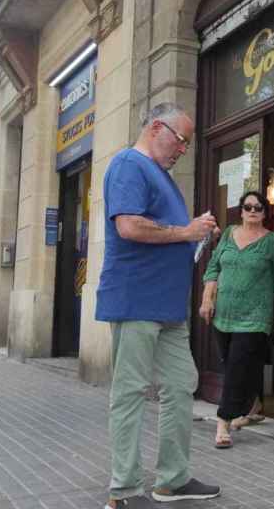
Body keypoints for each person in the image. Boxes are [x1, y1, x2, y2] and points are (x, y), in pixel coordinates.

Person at [96, 103, 221, 508]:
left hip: (168, 307)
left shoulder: (162, 177)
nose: (184, 149)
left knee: (181, 385)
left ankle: (172, 479)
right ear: (155, 128)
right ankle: (125, 491)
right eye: (180, 139)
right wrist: (186, 230)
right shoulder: (129, 164)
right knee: (130, 392)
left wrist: (197, 237)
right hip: (136, 301)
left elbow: (170, 237)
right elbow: (129, 225)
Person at [199, 191, 274, 449]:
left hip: (255, 316)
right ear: (241, 211)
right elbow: (213, 268)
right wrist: (207, 299)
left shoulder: (272, 241)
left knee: (236, 367)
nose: (253, 211)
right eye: (248, 207)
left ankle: (223, 421)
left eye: (258, 207)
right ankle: (253, 404)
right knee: (234, 363)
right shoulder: (228, 234)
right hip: (224, 314)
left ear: (265, 213)